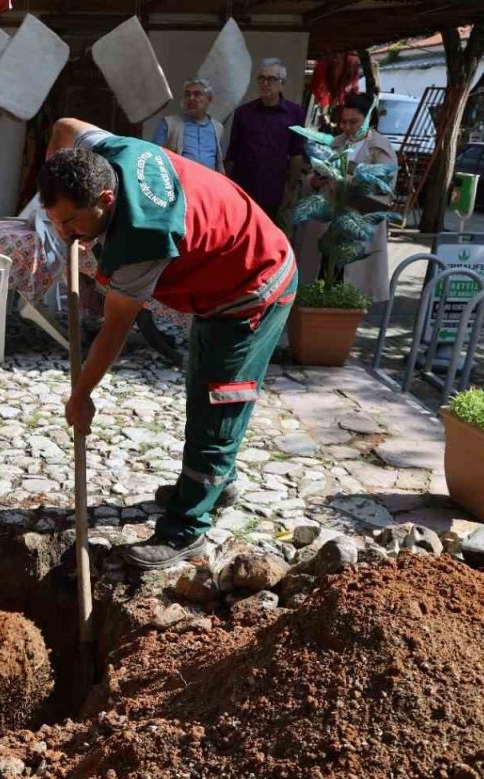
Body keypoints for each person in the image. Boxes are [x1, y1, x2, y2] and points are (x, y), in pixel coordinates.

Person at [39, 118, 295, 571]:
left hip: (253, 282)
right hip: (225, 262)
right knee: (202, 380)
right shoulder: (104, 154)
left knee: (217, 401)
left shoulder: (143, 238)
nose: (64, 232)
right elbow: (63, 126)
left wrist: (80, 396)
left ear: (105, 199)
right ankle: (219, 484)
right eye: (55, 221)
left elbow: (115, 331)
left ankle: (185, 529)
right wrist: (58, 194)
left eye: (71, 221)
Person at [296, 93, 397, 302]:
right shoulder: (335, 142)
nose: (347, 127)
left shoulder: (381, 148)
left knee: (348, 289)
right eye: (343, 122)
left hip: (356, 229)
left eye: (354, 122)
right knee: (320, 282)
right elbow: (309, 179)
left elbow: (383, 189)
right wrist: (313, 182)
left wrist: (343, 178)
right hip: (325, 228)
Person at [224, 58, 307, 221]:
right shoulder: (243, 112)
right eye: (262, 78)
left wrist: (290, 189)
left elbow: (296, 154)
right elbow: (232, 153)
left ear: (282, 84)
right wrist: (228, 185)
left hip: (273, 189)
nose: (265, 83)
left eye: (272, 79)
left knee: (266, 237)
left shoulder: (295, 113)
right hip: (243, 186)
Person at [152, 78, 225, 173]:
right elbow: (154, 156)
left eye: (197, 94)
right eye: (187, 94)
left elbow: (219, 161)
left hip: (209, 183)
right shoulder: (169, 124)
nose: (191, 98)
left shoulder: (218, 128)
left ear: (209, 99)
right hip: (180, 181)